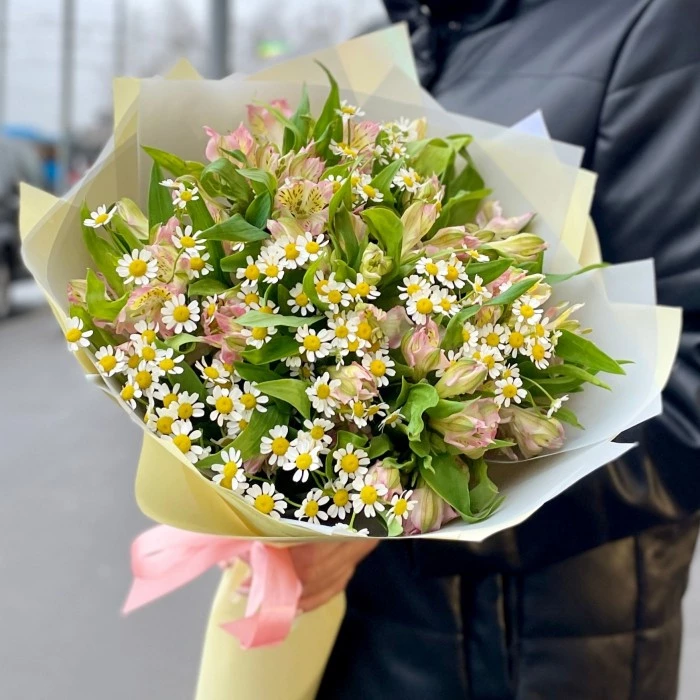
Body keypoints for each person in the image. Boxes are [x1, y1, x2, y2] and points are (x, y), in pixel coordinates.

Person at [289, 1, 700, 698]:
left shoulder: (652, 26)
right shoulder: (380, 47)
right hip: (358, 637)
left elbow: (688, 387)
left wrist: (393, 511)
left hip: (538, 653)